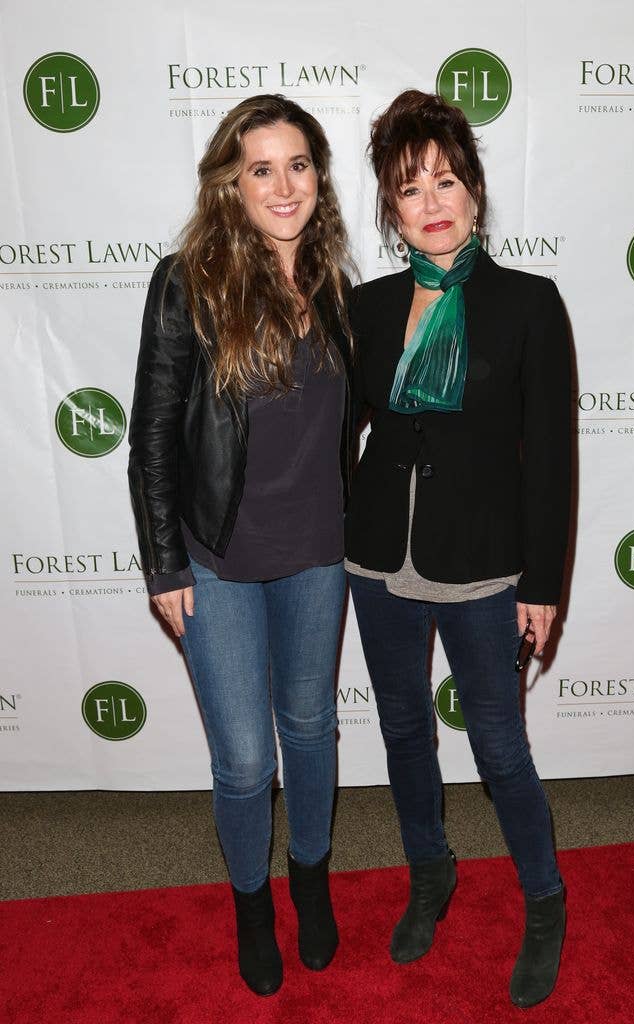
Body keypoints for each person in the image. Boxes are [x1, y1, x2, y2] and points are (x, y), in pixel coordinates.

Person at [345, 90, 571, 1008]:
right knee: (403, 730)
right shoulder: (365, 306)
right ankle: (430, 871)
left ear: (474, 190)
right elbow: (336, 438)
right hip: (377, 560)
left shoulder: (527, 303)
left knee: (500, 745)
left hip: (483, 563)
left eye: (445, 180)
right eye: (410, 189)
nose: (431, 202)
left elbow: (549, 457)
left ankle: (545, 901)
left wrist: (543, 584)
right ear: (390, 210)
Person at [127, 94, 354, 997]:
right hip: (216, 556)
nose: (283, 185)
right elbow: (152, 434)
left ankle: (312, 878)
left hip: (319, 552)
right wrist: (162, 563)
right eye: (262, 168)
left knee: (311, 728)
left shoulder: (334, 282)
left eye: (298, 165)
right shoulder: (189, 280)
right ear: (232, 182)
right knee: (247, 760)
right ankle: (253, 904)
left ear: (318, 177)